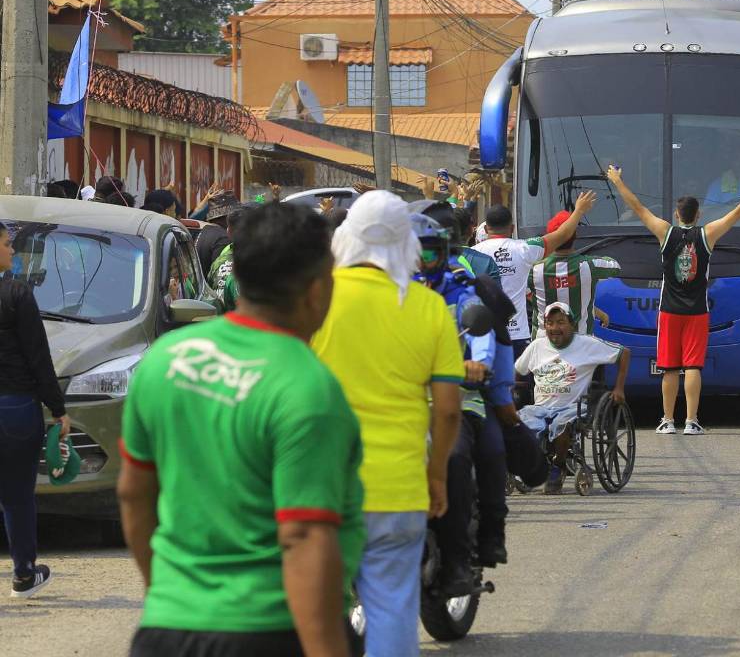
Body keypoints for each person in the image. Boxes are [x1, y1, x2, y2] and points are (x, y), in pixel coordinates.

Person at [117, 204, 362, 657]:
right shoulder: (307, 388)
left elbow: (134, 494)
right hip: (269, 631)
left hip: (166, 629)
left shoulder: (166, 359)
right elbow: (304, 537)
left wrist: (167, 594)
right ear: (316, 290)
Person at [310, 192, 464, 657]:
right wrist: (437, 475)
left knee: (314, 611)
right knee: (393, 608)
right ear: (406, 244)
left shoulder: (314, 300)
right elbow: (448, 409)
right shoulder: (428, 308)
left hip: (321, 487)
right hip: (399, 490)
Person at [608, 164, 740, 436]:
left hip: (669, 311)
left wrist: (617, 181)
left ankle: (667, 420)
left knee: (669, 368)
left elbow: (638, 208)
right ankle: (691, 421)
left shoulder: (665, 232)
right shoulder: (707, 234)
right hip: (698, 312)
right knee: (692, 366)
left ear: (677, 215)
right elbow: (738, 212)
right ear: (698, 215)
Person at [412, 213, 512, 594]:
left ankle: (458, 559)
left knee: (464, 455)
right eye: (411, 254)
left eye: (428, 253)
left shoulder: (460, 292)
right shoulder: (390, 295)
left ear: (444, 252)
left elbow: (482, 337)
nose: (421, 262)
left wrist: (477, 364)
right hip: (400, 398)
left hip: (458, 395)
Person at [0, 227, 70, 599]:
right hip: (15, 408)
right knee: (16, 496)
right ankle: (24, 575)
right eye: (6, 244)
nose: (12, 251)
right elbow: (39, 358)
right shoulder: (17, 294)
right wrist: (58, 410)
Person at [514, 302, 629, 493]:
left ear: (572, 325)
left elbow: (624, 353)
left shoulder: (587, 344)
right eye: (550, 323)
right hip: (540, 407)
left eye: (561, 322)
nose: (555, 328)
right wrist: (513, 389)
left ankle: (558, 465)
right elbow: (518, 370)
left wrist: (619, 388)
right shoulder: (537, 346)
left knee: (561, 426)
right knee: (518, 425)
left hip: (573, 407)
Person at [473, 192, 596, 357]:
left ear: (485, 228)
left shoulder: (471, 254)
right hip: (517, 336)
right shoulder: (525, 249)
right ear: (512, 228)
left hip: (482, 334)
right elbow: (562, 235)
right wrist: (578, 211)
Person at [526, 208, 621, 340]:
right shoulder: (590, 266)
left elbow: (527, 293)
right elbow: (615, 266)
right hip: (582, 345)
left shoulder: (533, 270)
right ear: (575, 235)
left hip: (543, 345)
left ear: (552, 237)